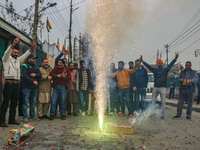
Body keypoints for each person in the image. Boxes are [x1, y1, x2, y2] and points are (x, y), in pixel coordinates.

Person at [0, 36, 35, 127]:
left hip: (17, 84)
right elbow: (7, 52)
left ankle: (12, 119)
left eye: (17, 53)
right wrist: (14, 44)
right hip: (9, 83)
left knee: (14, 103)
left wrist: (31, 48)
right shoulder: (6, 59)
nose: (16, 53)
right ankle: (2, 120)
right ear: (11, 52)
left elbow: (25, 55)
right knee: (5, 103)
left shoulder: (18, 60)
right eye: (14, 52)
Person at [140, 53, 179, 119]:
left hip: (163, 88)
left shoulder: (165, 70)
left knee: (163, 102)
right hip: (155, 87)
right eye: (159, 63)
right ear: (157, 64)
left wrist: (175, 58)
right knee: (153, 101)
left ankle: (162, 114)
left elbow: (170, 65)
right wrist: (143, 61)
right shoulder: (154, 70)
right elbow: (148, 66)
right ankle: (153, 113)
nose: (160, 64)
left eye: (161, 63)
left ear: (162, 64)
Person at [21, 54, 42, 123]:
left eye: (34, 59)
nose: (34, 60)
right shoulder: (24, 66)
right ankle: (25, 117)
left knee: (32, 102)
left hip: (34, 88)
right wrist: (33, 81)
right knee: (25, 102)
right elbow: (25, 75)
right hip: (26, 87)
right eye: (33, 59)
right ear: (29, 59)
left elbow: (40, 75)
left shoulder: (35, 66)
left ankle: (32, 116)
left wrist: (35, 75)